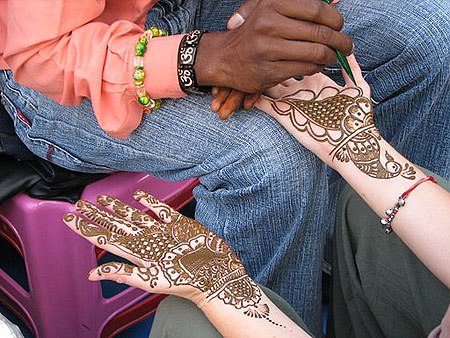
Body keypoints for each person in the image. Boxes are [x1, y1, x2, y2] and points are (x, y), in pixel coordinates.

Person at [1, 0, 449, 335]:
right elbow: (41, 53)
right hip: (62, 64)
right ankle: (287, 303)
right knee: (270, 154)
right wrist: (206, 58)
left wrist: (277, 24)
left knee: (428, 36)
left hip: (207, 8)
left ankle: (357, 273)